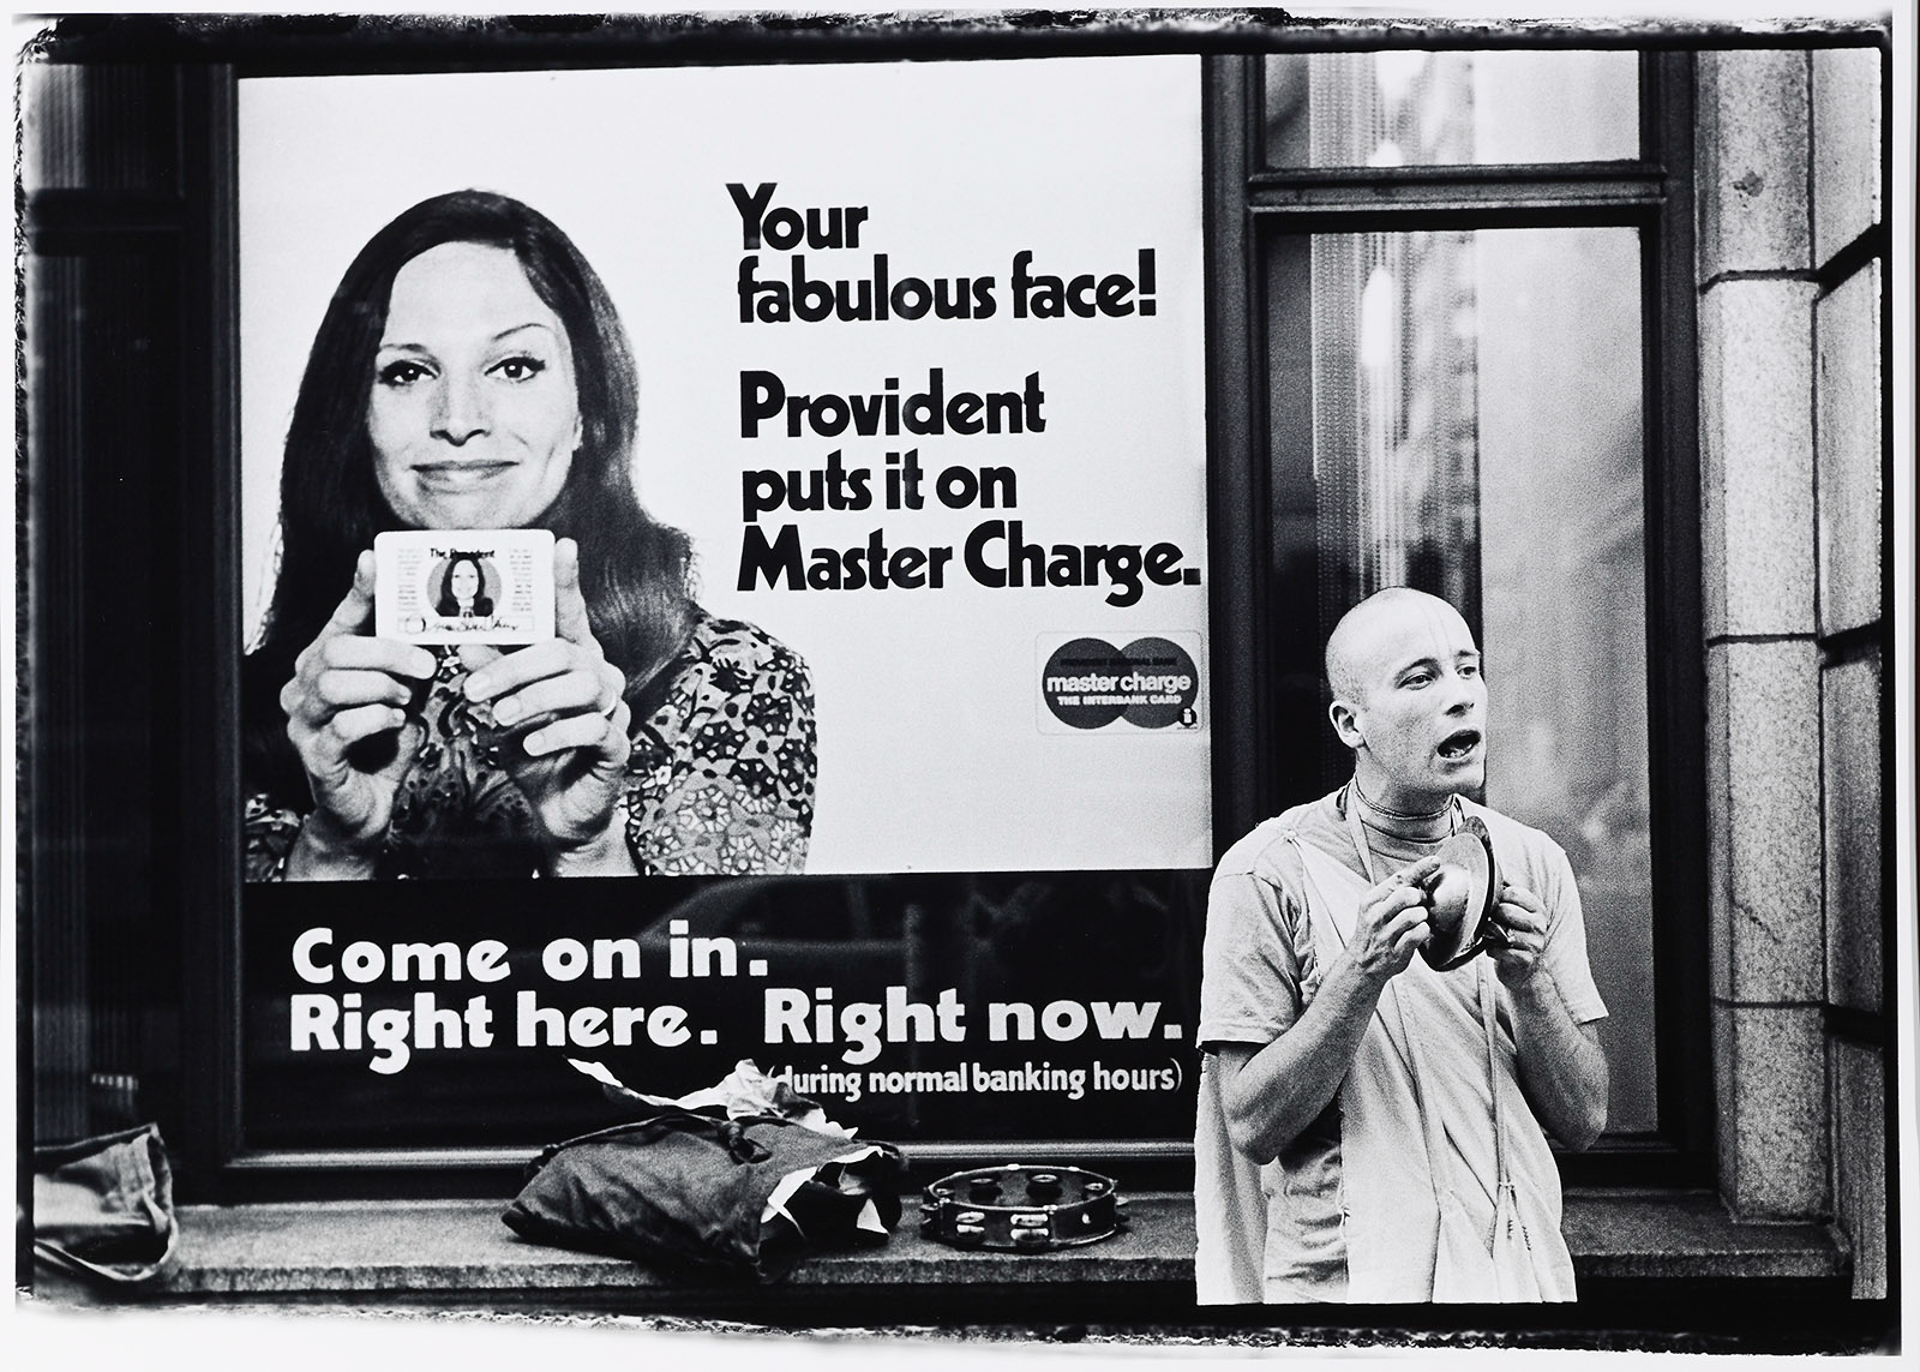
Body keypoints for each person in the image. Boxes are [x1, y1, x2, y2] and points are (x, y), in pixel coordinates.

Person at [242, 190, 816, 881]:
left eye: (514, 367)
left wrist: (589, 848)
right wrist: (335, 847)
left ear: (586, 412)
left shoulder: (732, 683)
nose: (459, 420)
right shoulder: (254, 706)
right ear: (354, 419)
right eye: (407, 372)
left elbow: (718, 949)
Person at [1194, 587, 1608, 1303]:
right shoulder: (1268, 871)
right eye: (1420, 679)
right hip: (1344, 1300)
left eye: (1468, 670)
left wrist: (1531, 983)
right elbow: (1252, 1126)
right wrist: (1359, 975)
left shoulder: (1532, 861)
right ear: (1350, 723)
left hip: (1516, 1285)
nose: (1461, 696)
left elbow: (1584, 1121)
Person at [434, 553, 493, 620]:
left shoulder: (488, 613)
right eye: (457, 576)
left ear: (479, 580)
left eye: (471, 576)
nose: (464, 583)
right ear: (449, 580)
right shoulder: (439, 613)